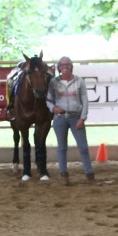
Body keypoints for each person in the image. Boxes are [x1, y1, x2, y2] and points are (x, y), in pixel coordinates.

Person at [47, 56, 95, 185]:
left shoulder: (79, 81)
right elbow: (48, 100)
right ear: (59, 67)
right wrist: (53, 108)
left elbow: (84, 100)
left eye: (67, 64)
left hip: (76, 117)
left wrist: (83, 118)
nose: (65, 66)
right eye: (62, 64)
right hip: (60, 118)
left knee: (83, 147)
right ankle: (64, 174)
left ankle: (89, 174)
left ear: (71, 66)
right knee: (62, 148)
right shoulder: (54, 82)